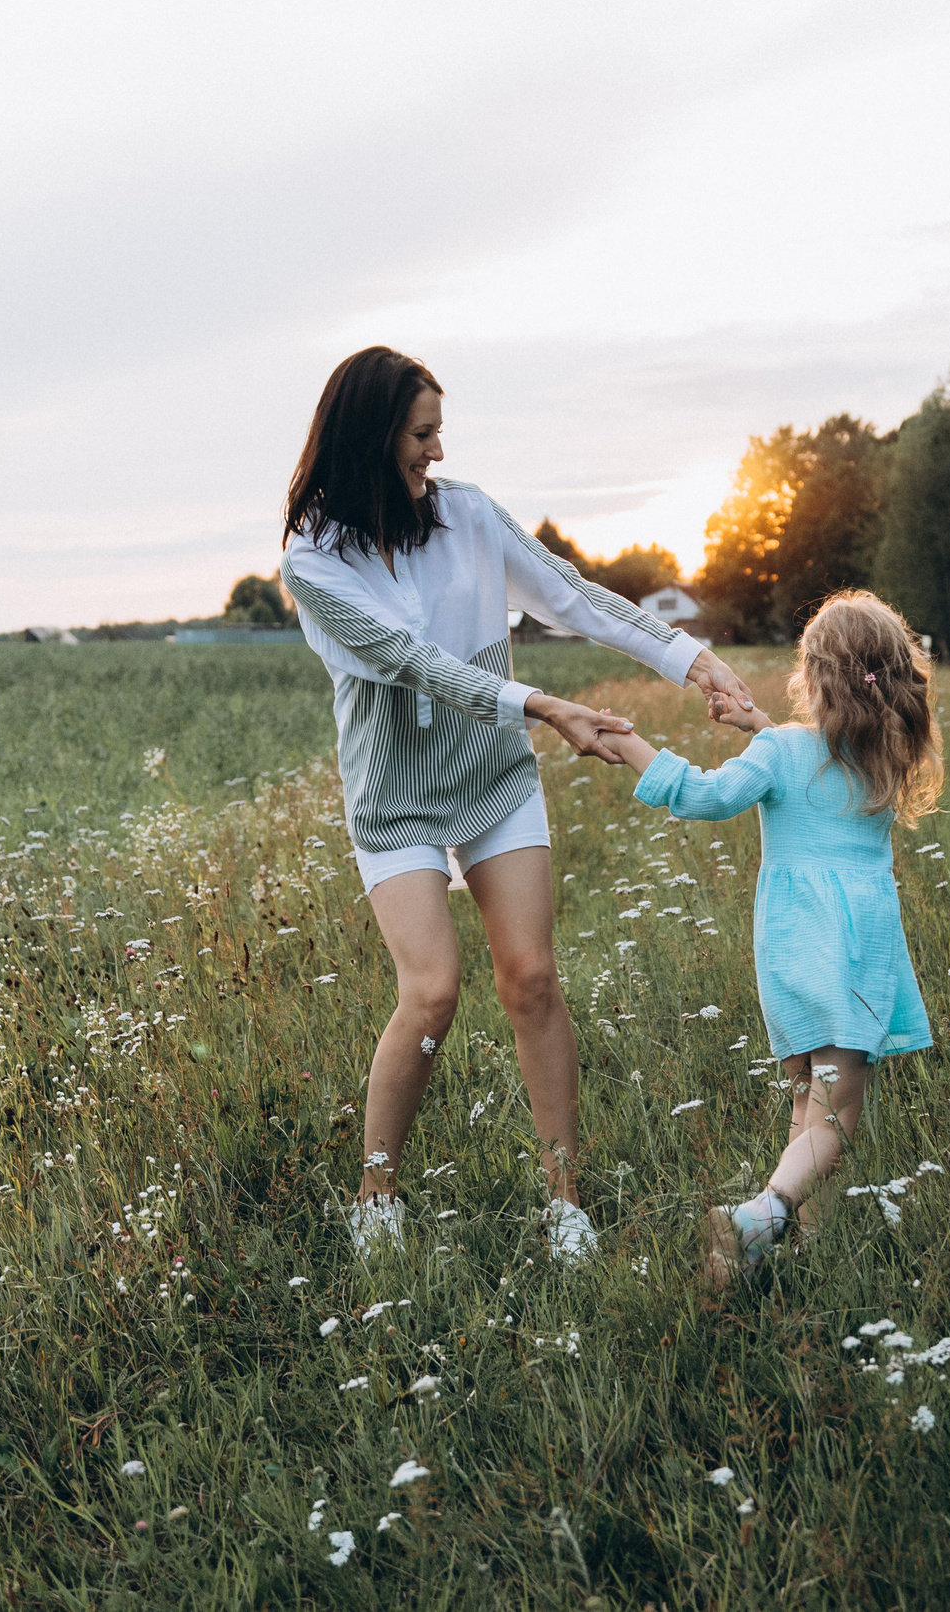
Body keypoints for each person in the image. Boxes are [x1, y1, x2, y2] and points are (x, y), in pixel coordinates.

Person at [280, 345, 754, 1261]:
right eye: (422, 434)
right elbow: (407, 661)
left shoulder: (467, 516)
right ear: (373, 437)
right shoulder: (312, 562)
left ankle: (564, 1198)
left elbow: (570, 596)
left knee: (531, 975)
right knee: (431, 992)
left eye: (439, 432)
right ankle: (377, 1194)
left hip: (492, 775)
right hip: (398, 796)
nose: (438, 453)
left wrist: (691, 659)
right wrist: (539, 705)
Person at [590, 590, 942, 1280]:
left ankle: (797, 1249)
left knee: (810, 1100)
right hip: (855, 956)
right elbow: (822, 760)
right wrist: (761, 726)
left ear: (813, 677)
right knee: (836, 1118)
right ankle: (764, 1213)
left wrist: (632, 742)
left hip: (791, 953)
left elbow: (707, 794)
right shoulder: (886, 756)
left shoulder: (781, 750)